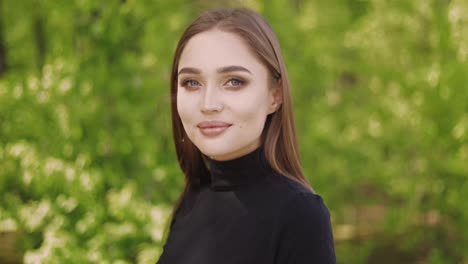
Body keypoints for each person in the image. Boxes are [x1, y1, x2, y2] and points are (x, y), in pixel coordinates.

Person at [157, 7, 336, 264]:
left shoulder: (300, 215)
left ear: (275, 95)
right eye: (192, 83)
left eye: (234, 81)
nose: (208, 104)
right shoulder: (194, 198)